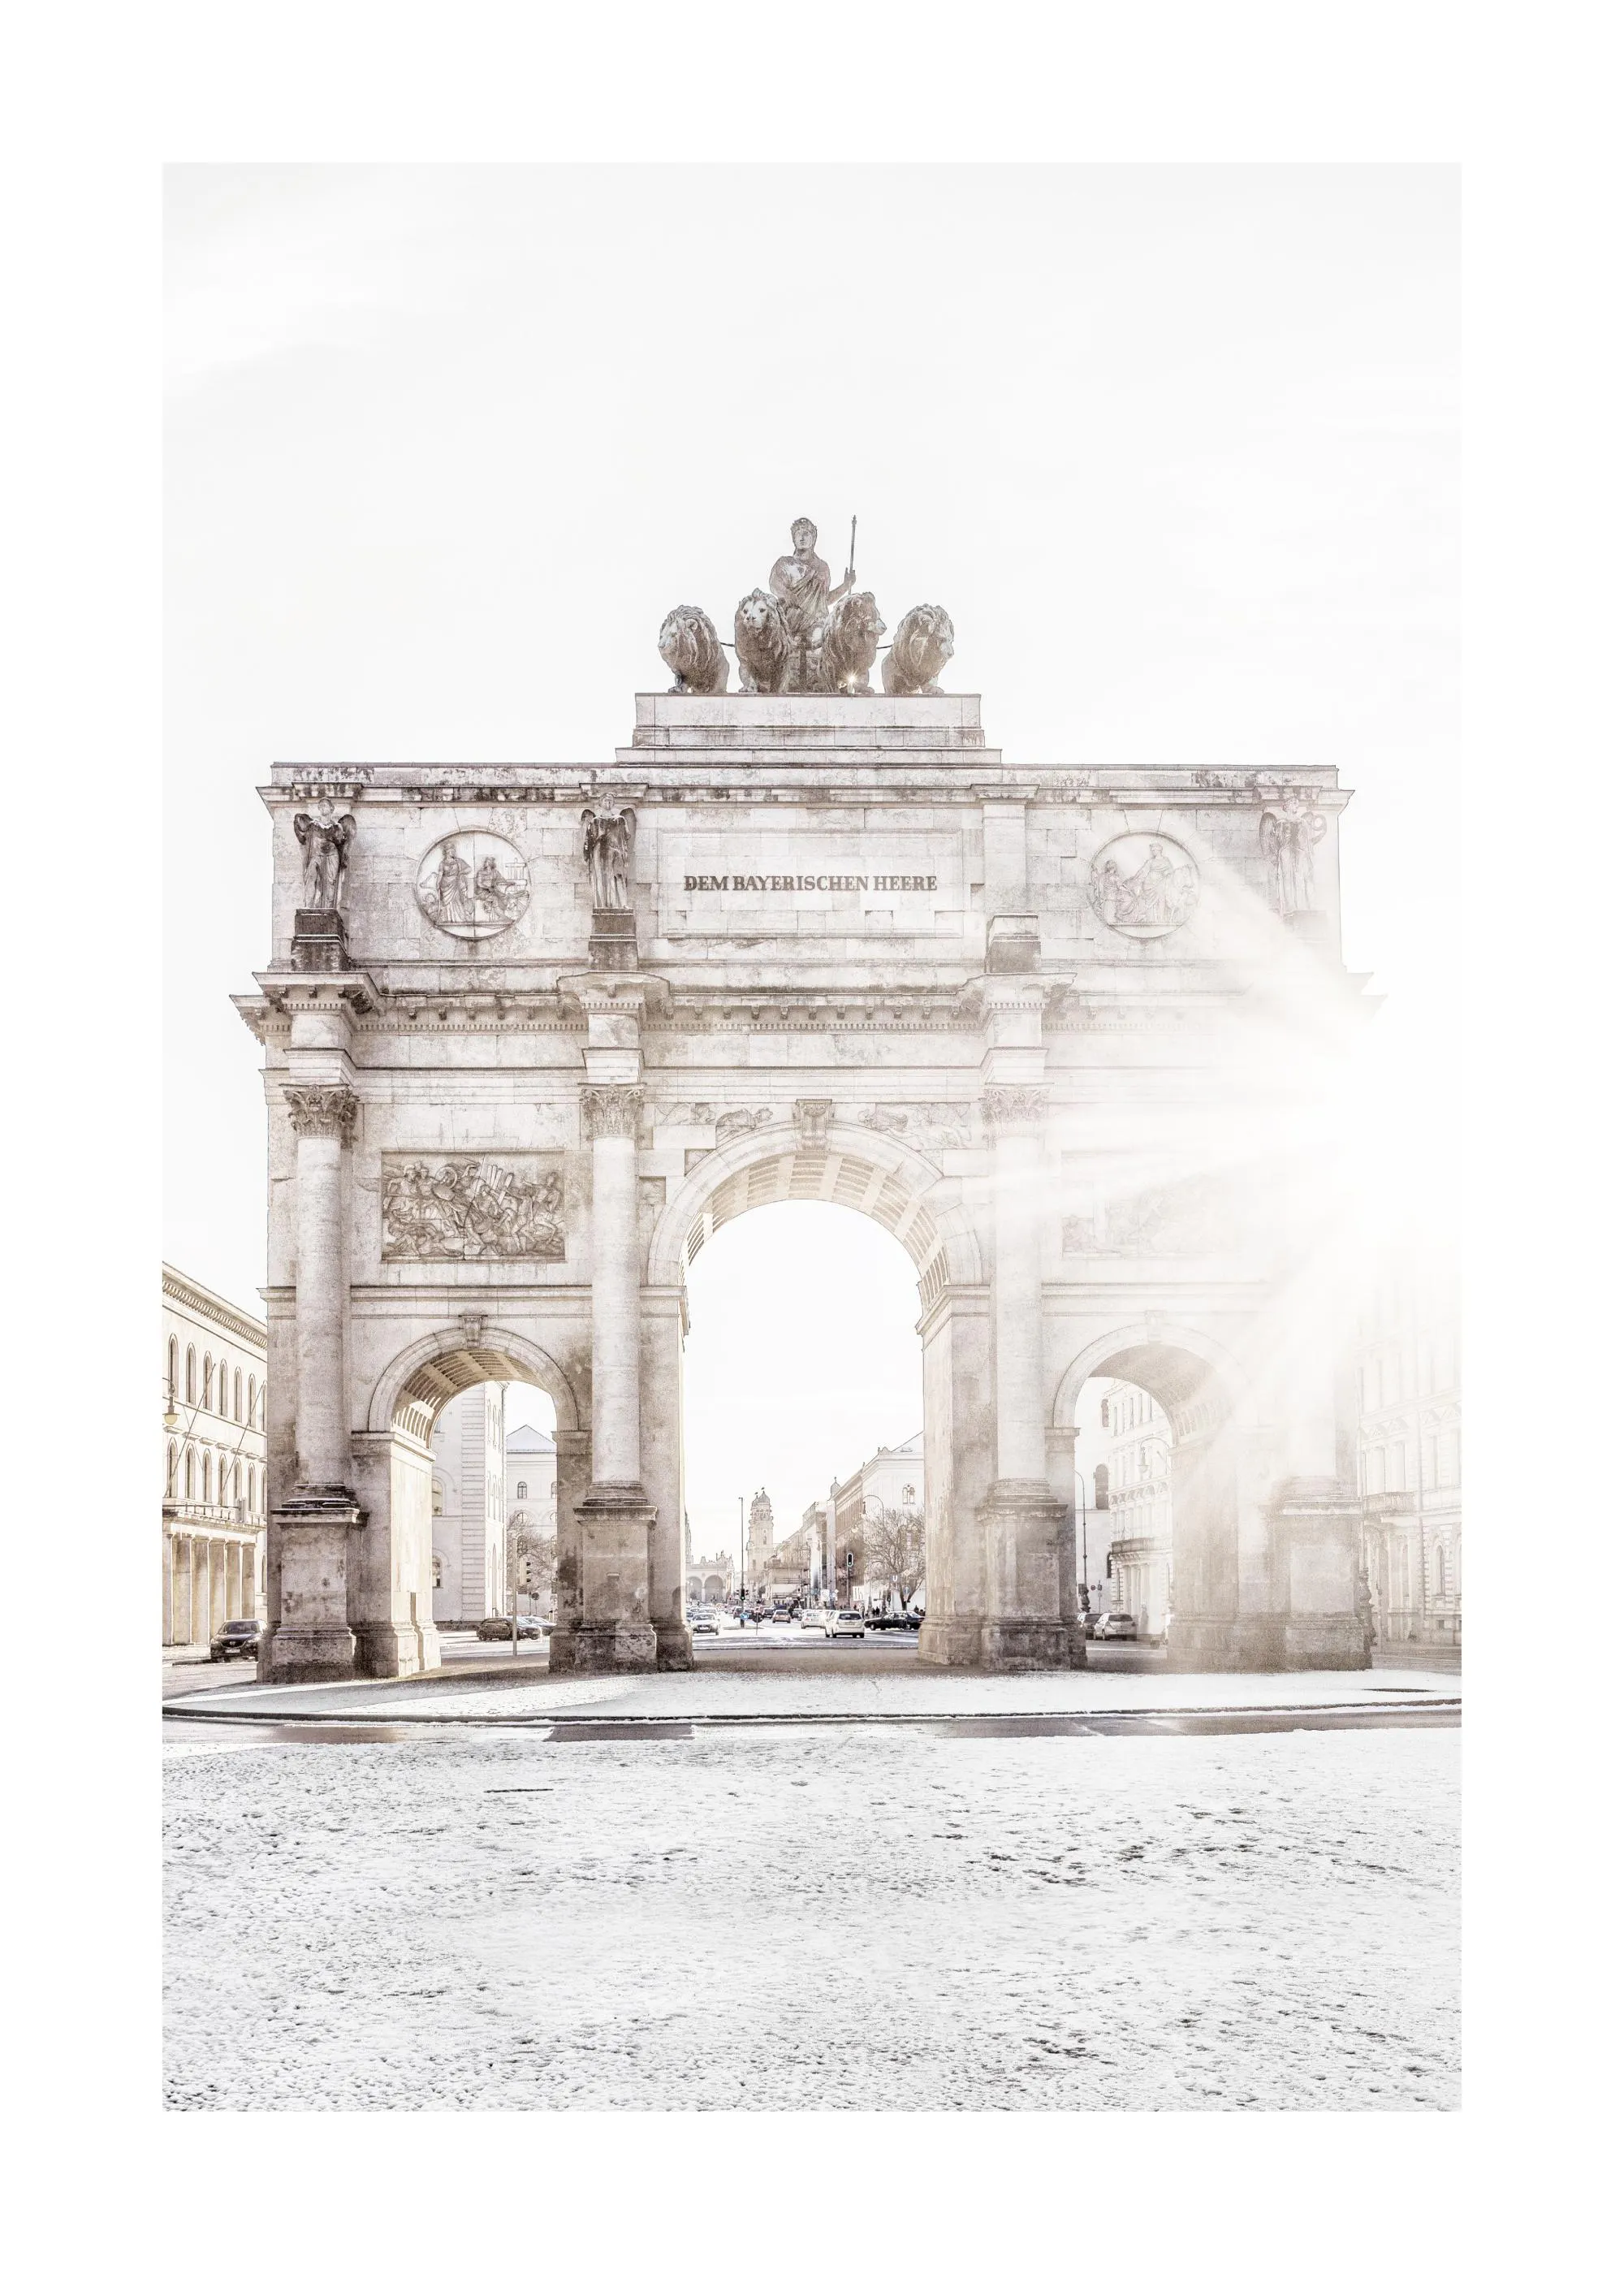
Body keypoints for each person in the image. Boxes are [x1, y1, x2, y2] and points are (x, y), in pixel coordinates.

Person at [769, 517, 853, 690]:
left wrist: (846, 586)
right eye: (798, 534)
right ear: (793, 538)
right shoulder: (784, 564)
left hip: (817, 621)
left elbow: (824, 600)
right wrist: (787, 594)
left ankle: (829, 681)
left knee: (828, 645)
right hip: (789, 620)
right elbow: (775, 586)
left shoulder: (822, 568)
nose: (802, 537)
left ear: (814, 538)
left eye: (806, 533)